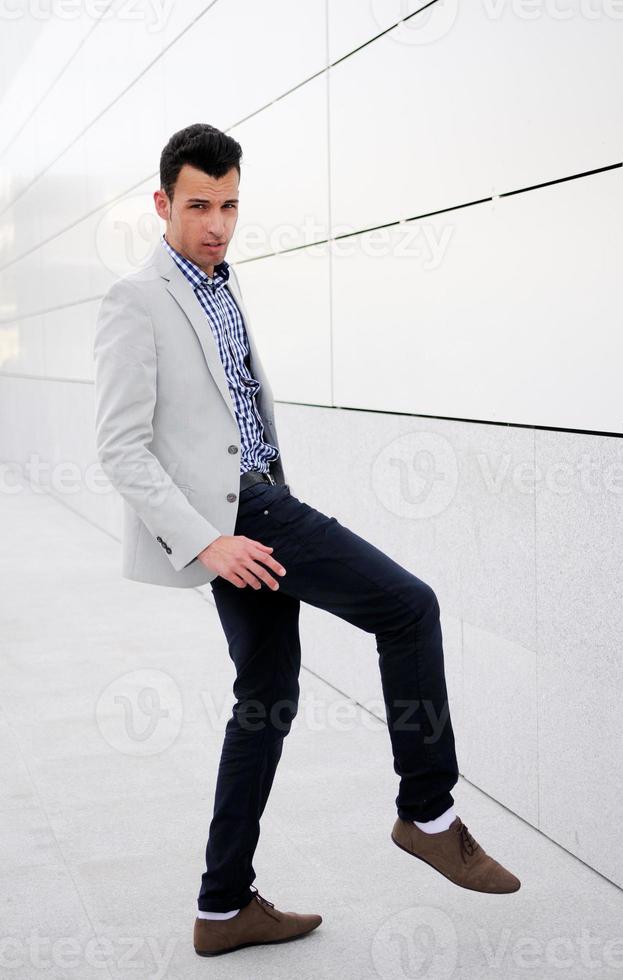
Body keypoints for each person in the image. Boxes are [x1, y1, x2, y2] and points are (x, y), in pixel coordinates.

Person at [94, 122, 521, 959]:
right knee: (408, 607)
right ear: (161, 204)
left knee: (265, 696)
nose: (216, 224)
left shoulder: (221, 281)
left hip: (262, 501)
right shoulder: (136, 300)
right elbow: (119, 446)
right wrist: (206, 541)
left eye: (229, 205)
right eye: (197, 207)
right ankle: (428, 812)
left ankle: (223, 908)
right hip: (240, 518)